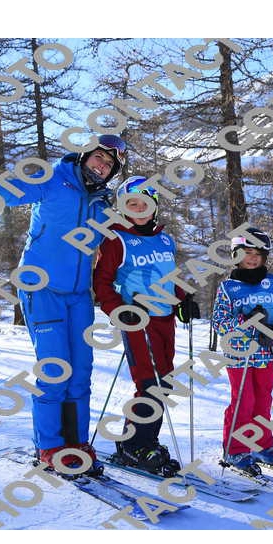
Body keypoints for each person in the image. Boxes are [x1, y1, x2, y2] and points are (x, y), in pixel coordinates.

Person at [0, 135, 128, 476]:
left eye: (109, 165)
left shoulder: (102, 203)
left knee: (81, 372)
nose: (102, 166)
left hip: (79, 295)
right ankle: (50, 446)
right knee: (55, 370)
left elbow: (125, 244)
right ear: (85, 155)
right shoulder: (52, 179)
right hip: (41, 288)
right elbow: (7, 190)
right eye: (98, 158)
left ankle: (76, 443)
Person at [93, 176, 199, 476]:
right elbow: (101, 283)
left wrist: (183, 300)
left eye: (144, 203)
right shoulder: (116, 239)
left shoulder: (165, 240)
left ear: (154, 206)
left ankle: (144, 441)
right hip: (138, 319)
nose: (138, 208)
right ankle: (135, 446)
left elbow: (169, 277)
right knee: (150, 383)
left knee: (163, 384)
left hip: (165, 319)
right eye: (131, 203)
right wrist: (120, 310)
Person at [211, 228, 273, 477]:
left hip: (266, 354)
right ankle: (235, 449)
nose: (252, 258)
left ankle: (261, 445)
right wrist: (245, 321)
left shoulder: (272, 283)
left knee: (263, 401)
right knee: (243, 401)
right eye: (247, 253)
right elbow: (219, 322)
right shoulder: (228, 287)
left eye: (258, 254)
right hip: (239, 355)